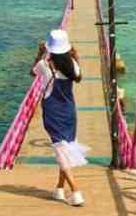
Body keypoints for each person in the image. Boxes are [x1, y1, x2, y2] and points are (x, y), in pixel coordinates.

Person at [30, 29, 89, 206]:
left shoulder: (45, 65)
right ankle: (59, 189)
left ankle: (76, 191)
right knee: (65, 148)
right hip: (69, 111)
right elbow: (78, 77)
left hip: (53, 112)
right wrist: (75, 55)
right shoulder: (72, 63)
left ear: (50, 48)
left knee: (60, 150)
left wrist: (40, 53)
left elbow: (33, 72)